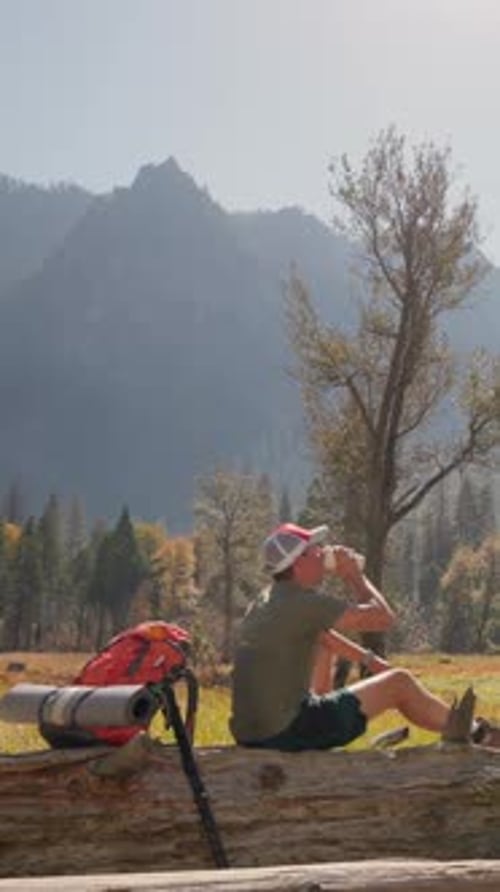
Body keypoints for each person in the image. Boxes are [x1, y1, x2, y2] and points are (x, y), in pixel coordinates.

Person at [229, 521, 478, 751]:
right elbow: (383, 618)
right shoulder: (303, 602)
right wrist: (354, 576)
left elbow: (325, 637)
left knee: (323, 649)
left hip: (252, 734)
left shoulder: (266, 600)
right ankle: (478, 735)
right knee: (399, 682)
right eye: (315, 548)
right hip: (288, 733)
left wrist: (370, 661)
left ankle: (469, 731)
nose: (323, 552)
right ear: (298, 561)